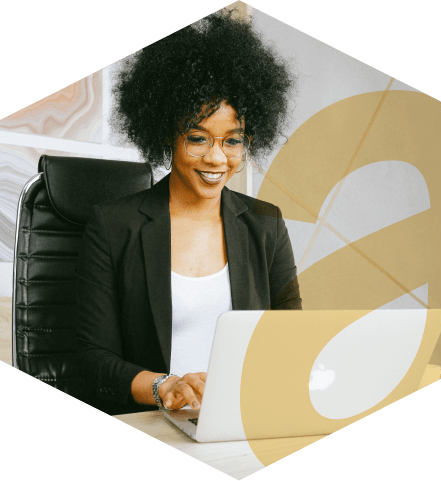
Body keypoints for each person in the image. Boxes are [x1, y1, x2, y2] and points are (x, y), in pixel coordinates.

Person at [76, 9, 301, 416]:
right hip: (152, 420)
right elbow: (93, 359)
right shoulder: (113, 226)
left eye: (233, 141)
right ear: (166, 132)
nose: (217, 158)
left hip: (242, 417)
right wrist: (166, 387)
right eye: (197, 138)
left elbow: (289, 337)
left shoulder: (265, 223)